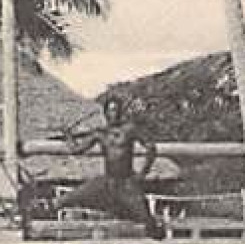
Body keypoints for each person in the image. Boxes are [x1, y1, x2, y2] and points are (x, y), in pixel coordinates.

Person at [45, 96, 162, 236]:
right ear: (105, 113)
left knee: (149, 222)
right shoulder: (99, 134)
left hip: (127, 182)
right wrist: (68, 136)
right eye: (110, 111)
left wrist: (143, 172)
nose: (113, 114)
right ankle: (42, 210)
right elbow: (77, 150)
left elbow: (150, 147)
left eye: (116, 110)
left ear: (120, 112)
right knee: (70, 197)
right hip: (107, 181)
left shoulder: (130, 129)